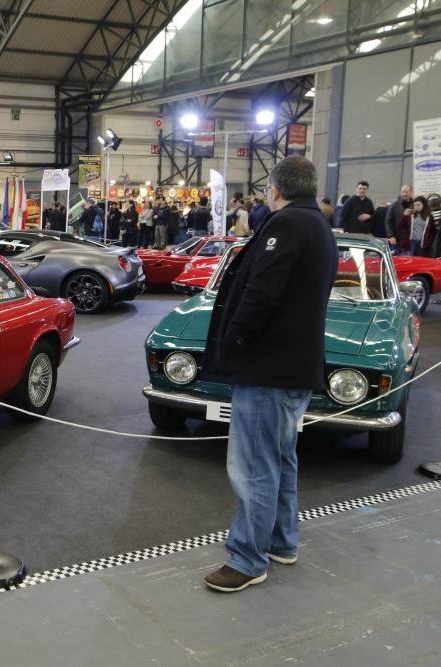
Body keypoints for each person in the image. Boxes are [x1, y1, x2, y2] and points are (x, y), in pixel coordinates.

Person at [201, 156, 337, 593]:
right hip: (294, 366)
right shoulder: (319, 227)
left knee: (254, 466)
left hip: (268, 367)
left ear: (276, 189)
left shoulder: (288, 225)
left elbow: (262, 290)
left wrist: (236, 339)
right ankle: (281, 540)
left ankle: (247, 559)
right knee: (280, 458)